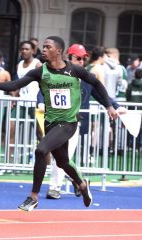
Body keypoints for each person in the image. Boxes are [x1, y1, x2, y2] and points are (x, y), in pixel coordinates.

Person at [0, 36, 118, 211]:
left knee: (41, 150)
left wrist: (109, 106)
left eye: (47, 47)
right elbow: (16, 84)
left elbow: (97, 84)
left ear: (58, 51)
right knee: (62, 162)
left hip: (68, 122)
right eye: (43, 46)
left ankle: (33, 196)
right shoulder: (40, 71)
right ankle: (82, 185)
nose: (44, 50)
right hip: (50, 122)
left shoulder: (75, 70)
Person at [46, 44, 125, 200]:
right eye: (78, 58)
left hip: (74, 122)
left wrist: (116, 107)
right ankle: (78, 181)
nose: (82, 61)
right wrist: (41, 102)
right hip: (56, 120)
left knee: (63, 156)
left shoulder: (88, 78)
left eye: (84, 58)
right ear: (68, 57)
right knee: (62, 157)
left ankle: (55, 188)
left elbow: (102, 95)